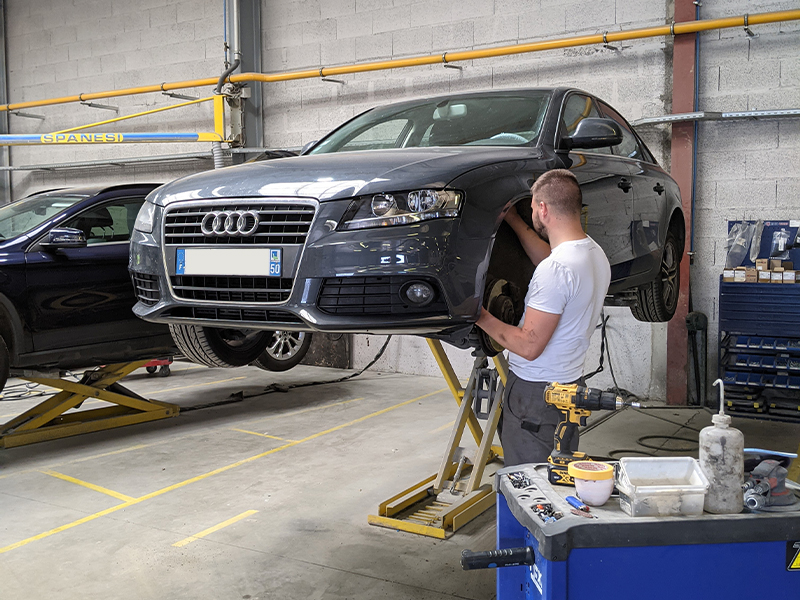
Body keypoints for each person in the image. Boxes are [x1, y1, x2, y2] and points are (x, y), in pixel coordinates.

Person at [476, 169, 611, 467]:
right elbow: (549, 259)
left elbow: (529, 346)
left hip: (536, 396)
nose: (534, 213)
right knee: (559, 471)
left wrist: (478, 314)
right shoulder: (594, 253)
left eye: (534, 207)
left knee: (530, 482)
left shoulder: (557, 270)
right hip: (570, 386)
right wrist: (514, 220)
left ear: (544, 209)